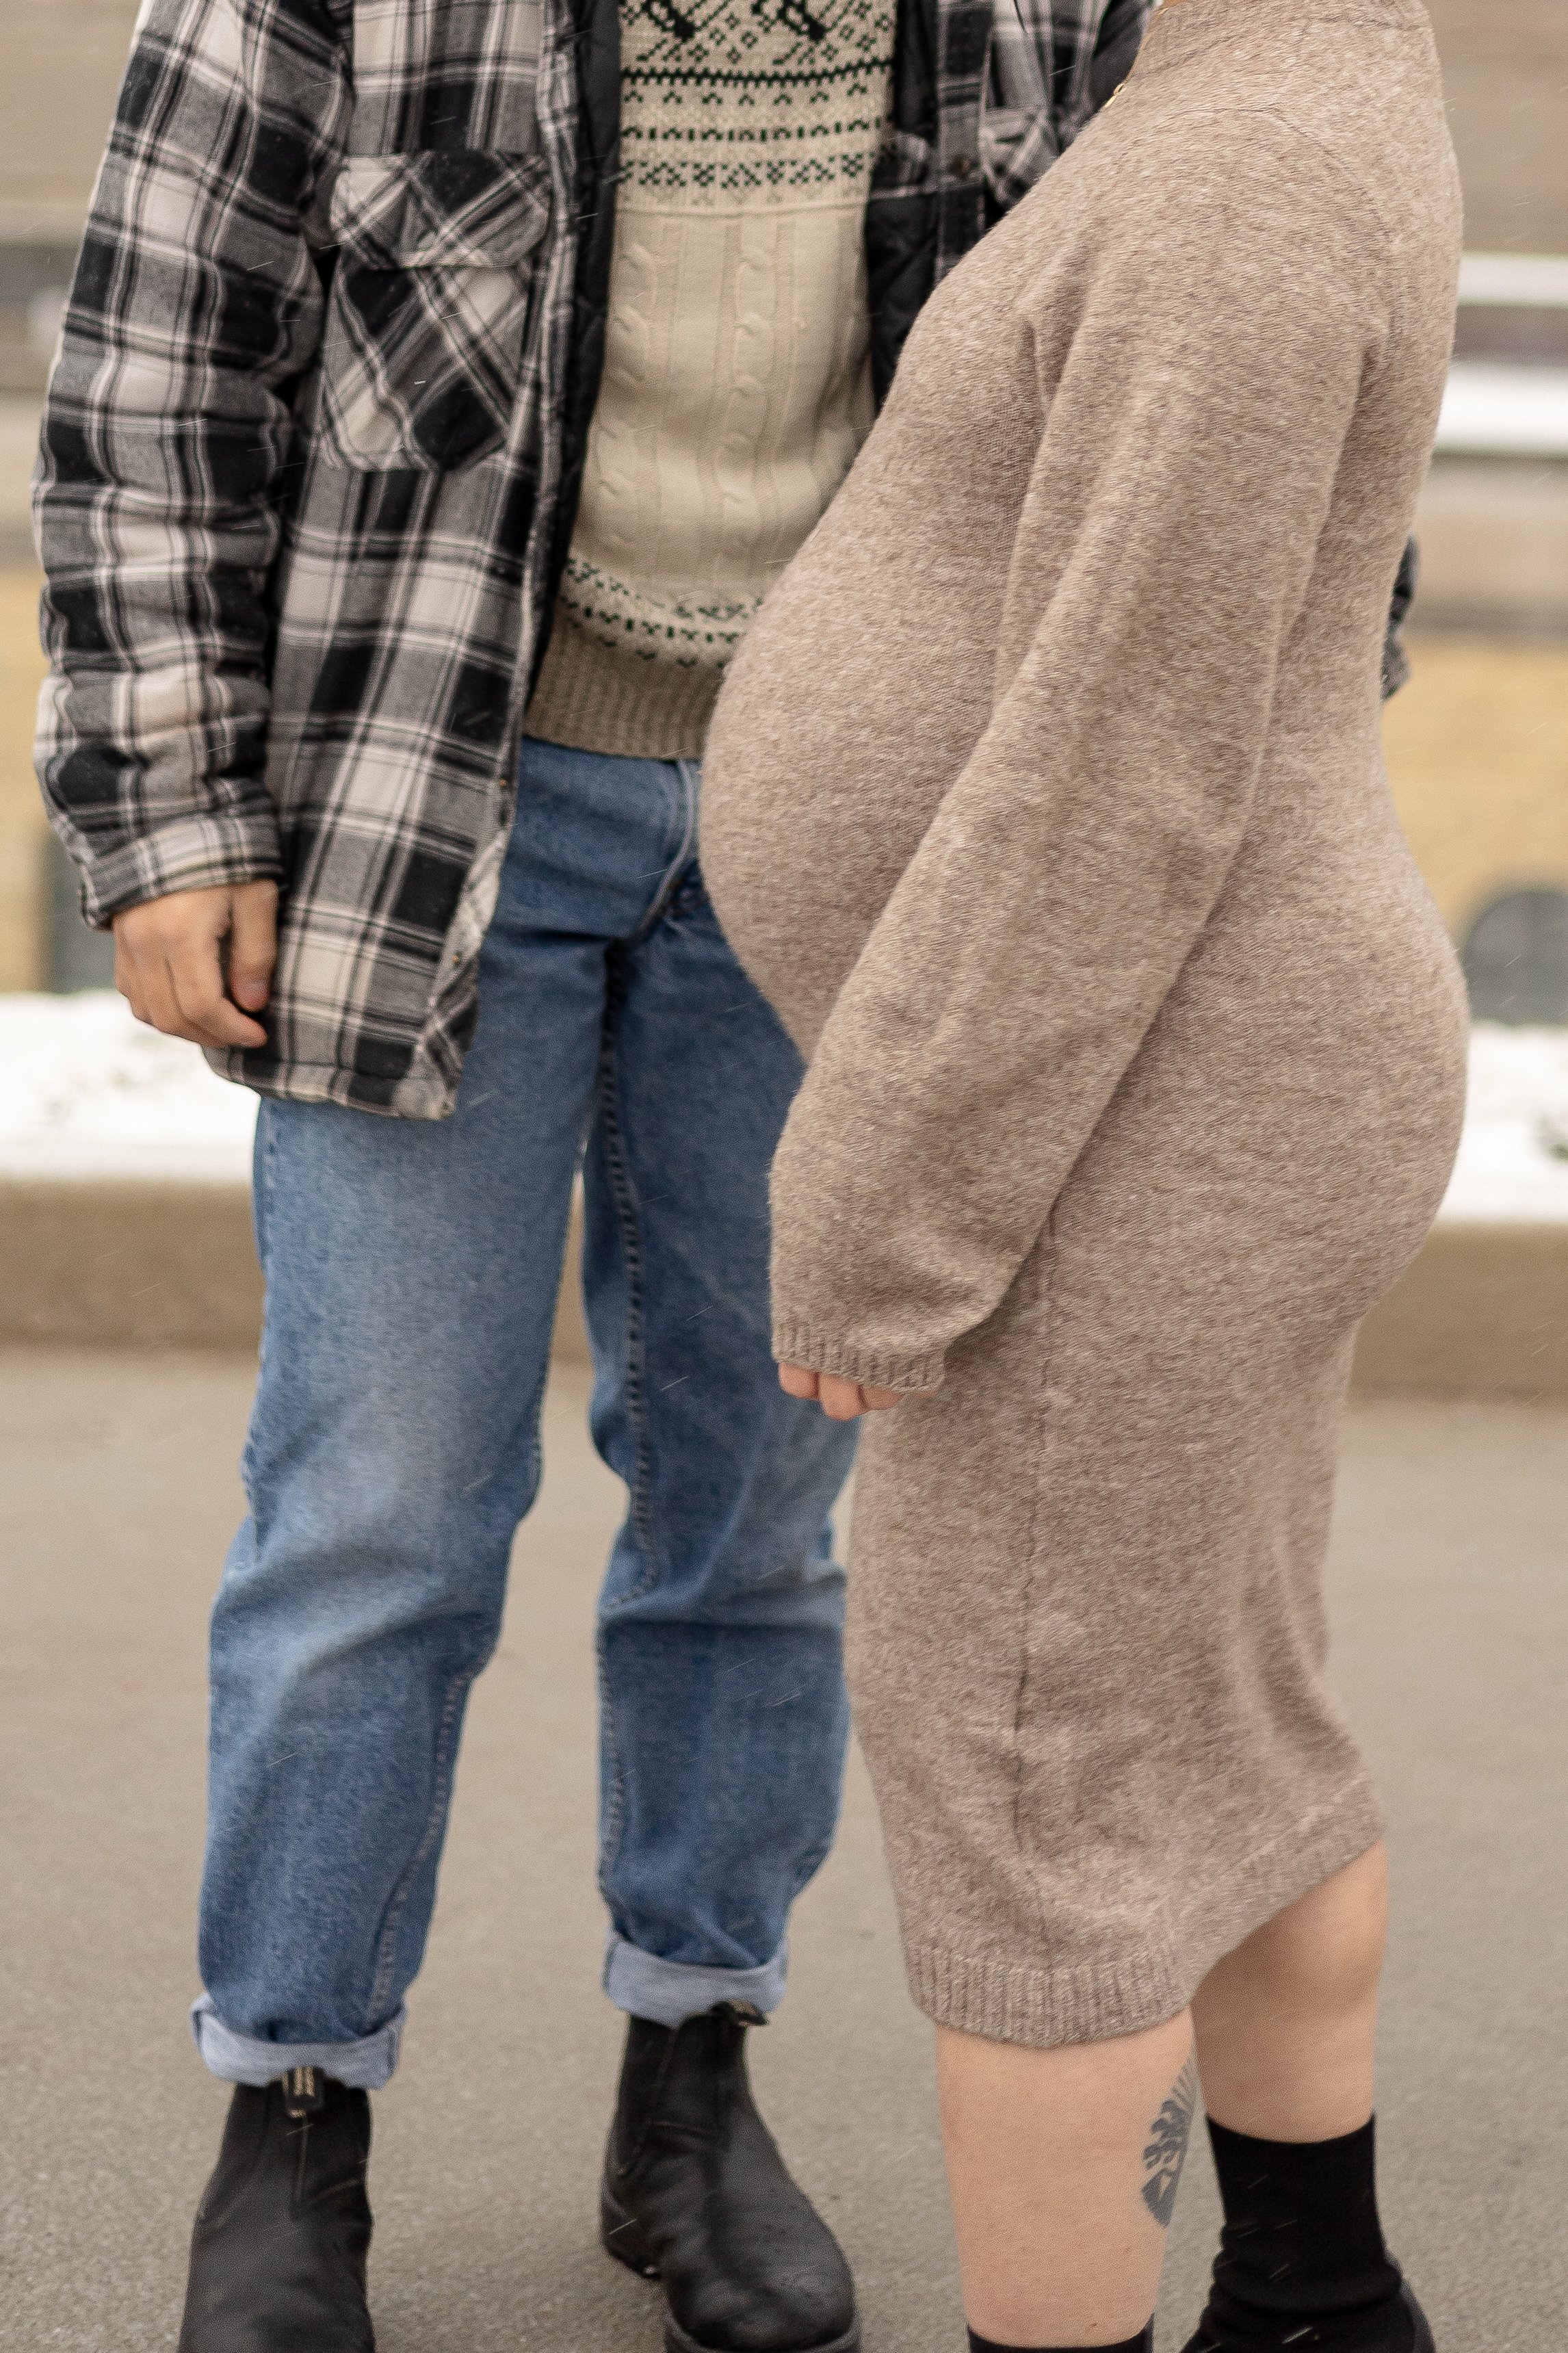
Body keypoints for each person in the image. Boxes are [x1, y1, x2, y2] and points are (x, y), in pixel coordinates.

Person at [32, 0, 1164, 2341]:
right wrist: (169, 822)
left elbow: (1196, 374)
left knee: (756, 1505)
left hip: (851, 836)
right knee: (378, 1507)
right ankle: (295, 2117)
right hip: (435, 807)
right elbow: (154, 380)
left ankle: (691, 2074)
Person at [700, 0, 1463, 2348]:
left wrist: (882, 1205)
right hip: (1196, 1094)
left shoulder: (1237, 166)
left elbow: (1119, 761)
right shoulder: (1272, 97)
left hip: (1145, 1125)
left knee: (1045, 1808)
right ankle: (1317, 2307)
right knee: (1216, 1719)